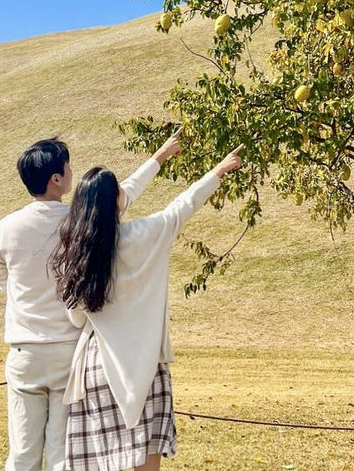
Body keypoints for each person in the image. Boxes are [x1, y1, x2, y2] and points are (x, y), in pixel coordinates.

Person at [0, 129, 183, 471]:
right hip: (70, 352)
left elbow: (0, 270)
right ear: (56, 179)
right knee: (63, 455)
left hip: (23, 353)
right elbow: (126, 193)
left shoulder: (7, 226)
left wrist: (18, 297)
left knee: (22, 453)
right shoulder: (78, 224)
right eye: (68, 167)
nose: (72, 173)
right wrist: (160, 156)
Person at [50, 140, 245, 471]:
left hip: (96, 370)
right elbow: (182, 206)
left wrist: (159, 157)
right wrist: (216, 172)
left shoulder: (78, 251)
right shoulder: (146, 234)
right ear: (116, 203)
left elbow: (77, 317)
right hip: (144, 369)